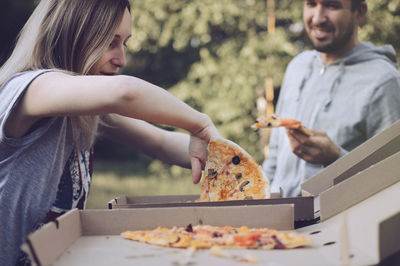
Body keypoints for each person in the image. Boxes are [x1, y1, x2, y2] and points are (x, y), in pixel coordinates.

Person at [0, 1, 221, 265]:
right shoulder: (27, 89)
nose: (122, 59)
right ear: (72, 34)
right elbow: (124, 92)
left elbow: (159, 141)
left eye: (125, 43)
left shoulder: (87, 111)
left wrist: (226, 156)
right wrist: (199, 123)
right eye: (110, 42)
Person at [263, 0, 400, 197]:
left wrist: (336, 158)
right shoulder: (297, 66)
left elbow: (391, 176)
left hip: (337, 223)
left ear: (359, 12)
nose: (318, 18)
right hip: (275, 218)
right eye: (311, 4)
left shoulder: (383, 80)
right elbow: (275, 156)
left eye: (332, 5)